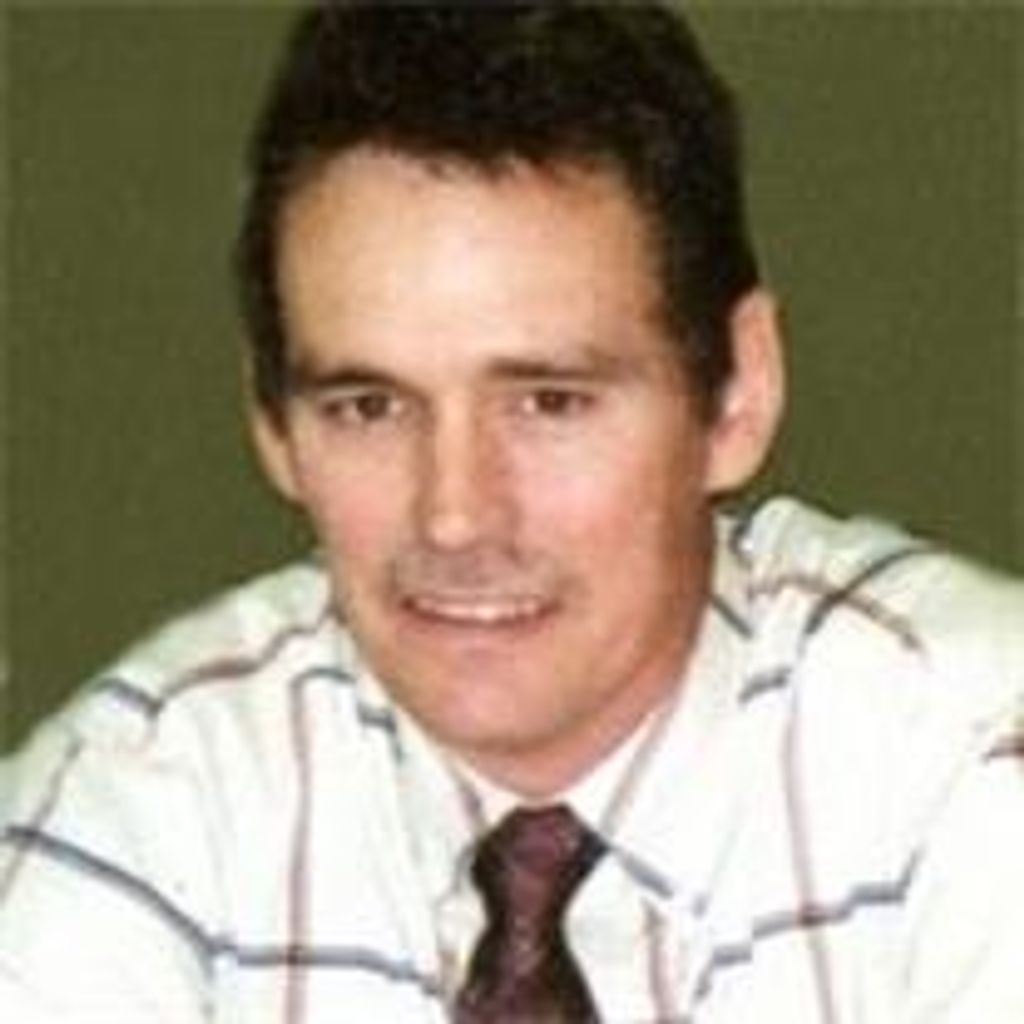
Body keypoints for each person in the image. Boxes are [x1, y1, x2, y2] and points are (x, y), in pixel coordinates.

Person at [1, 3, 1021, 1021]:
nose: (455, 516)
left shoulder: (967, 754)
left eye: (549, 402)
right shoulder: (133, 814)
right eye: (369, 407)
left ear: (736, 395)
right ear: (272, 424)